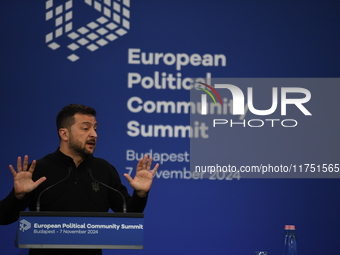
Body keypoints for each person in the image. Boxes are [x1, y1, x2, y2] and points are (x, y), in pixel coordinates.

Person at [0, 104, 159, 255]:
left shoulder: (104, 169)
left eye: (95, 128)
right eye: (85, 128)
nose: (94, 134)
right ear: (64, 134)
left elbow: (128, 218)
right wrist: (17, 196)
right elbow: (4, 218)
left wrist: (140, 194)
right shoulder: (39, 169)